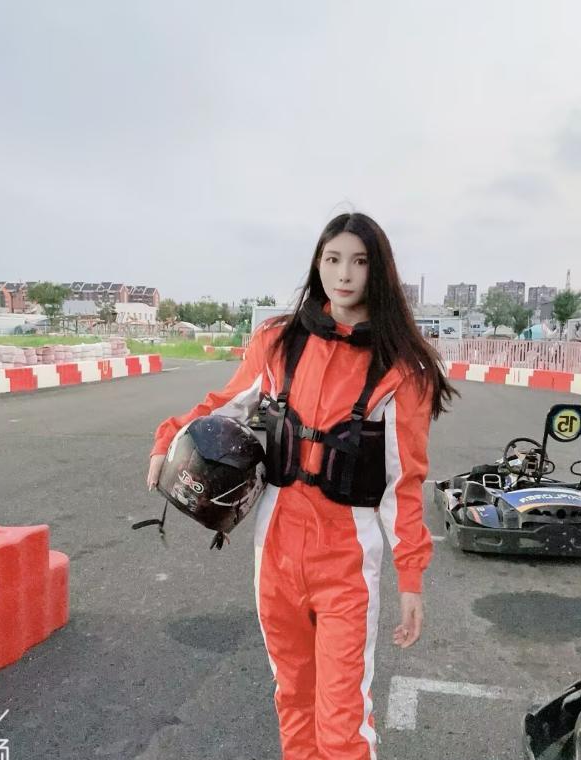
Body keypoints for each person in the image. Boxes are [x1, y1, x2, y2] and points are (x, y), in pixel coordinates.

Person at [146, 212, 457, 759]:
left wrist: (411, 578)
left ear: (379, 271)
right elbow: (224, 405)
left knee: (342, 724)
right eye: (333, 259)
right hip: (277, 550)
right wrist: (168, 439)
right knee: (292, 697)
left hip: (347, 560)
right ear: (318, 264)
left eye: (359, 262)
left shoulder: (401, 371)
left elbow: (403, 485)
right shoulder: (279, 342)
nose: (345, 274)